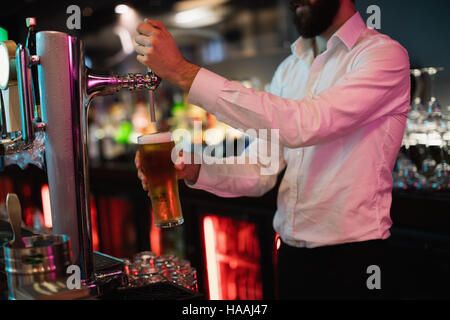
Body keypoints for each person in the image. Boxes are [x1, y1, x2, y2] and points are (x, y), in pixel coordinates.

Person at [134, 0, 413, 299]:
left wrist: (182, 72)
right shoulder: (289, 68)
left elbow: (305, 124)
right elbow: (260, 169)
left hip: (356, 262)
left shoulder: (381, 55)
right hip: (292, 257)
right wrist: (196, 167)